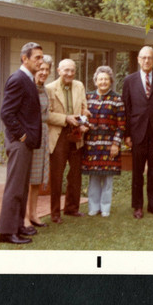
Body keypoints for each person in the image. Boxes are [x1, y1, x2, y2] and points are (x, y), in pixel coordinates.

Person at [0, 42, 44, 244]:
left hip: (26, 143)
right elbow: (6, 113)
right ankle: (7, 233)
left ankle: (17, 227)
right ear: (24, 58)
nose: (41, 62)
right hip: (20, 143)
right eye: (37, 58)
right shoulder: (17, 79)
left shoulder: (28, 79)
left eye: (42, 58)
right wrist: (23, 136)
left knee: (22, 188)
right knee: (15, 188)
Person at [122, 46, 153, 219]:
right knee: (137, 172)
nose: (146, 61)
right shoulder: (129, 80)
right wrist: (126, 134)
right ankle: (137, 206)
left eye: (150, 58)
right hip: (137, 133)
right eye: (143, 58)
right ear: (138, 59)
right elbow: (126, 109)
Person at [46, 58, 89, 224]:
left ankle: (72, 208)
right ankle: (55, 213)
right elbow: (47, 115)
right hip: (59, 135)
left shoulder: (79, 85)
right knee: (57, 176)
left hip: (77, 133)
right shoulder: (49, 89)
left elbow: (84, 108)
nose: (70, 73)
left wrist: (85, 121)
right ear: (58, 71)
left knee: (75, 173)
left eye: (72, 70)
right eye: (66, 70)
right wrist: (66, 118)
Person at [82, 66, 126, 217]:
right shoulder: (87, 97)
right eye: (100, 79)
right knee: (93, 177)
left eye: (106, 79)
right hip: (92, 144)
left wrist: (116, 144)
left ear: (111, 81)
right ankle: (93, 207)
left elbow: (122, 125)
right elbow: (83, 119)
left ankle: (105, 207)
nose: (103, 82)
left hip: (109, 145)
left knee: (107, 178)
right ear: (95, 81)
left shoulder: (117, 99)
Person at [26, 55, 53, 228]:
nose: (43, 72)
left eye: (46, 70)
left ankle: (33, 214)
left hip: (43, 135)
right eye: (41, 69)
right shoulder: (28, 87)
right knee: (27, 179)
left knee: (36, 179)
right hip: (31, 135)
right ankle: (24, 217)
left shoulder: (44, 89)